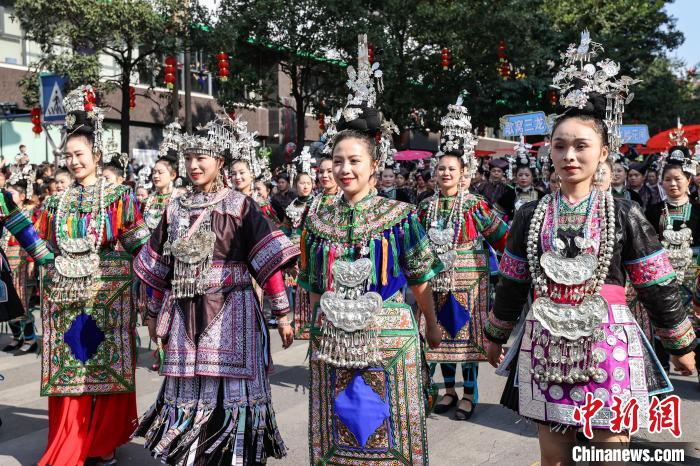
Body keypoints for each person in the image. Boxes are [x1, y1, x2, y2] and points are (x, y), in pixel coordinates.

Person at [485, 33, 696, 465]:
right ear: (549, 153)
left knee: (608, 454)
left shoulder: (625, 214)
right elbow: (512, 281)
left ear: (603, 153)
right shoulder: (531, 215)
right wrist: (495, 333)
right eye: (560, 145)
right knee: (555, 457)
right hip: (545, 347)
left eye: (581, 146)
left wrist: (680, 342)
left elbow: (656, 282)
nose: (570, 156)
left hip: (607, 346)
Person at [299, 36, 442, 464]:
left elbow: (419, 279)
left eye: (354, 161)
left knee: (390, 425)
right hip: (332, 340)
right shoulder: (317, 218)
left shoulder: (400, 217)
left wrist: (431, 324)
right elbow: (310, 282)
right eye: (338, 161)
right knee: (338, 426)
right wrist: (312, 327)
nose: (344, 169)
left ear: (373, 165)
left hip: (389, 336)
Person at [133, 116, 299, 465]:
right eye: (189, 159)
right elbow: (159, 268)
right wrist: (151, 313)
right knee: (186, 394)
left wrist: (283, 313)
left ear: (220, 162)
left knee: (233, 396)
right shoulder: (174, 208)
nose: (193, 165)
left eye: (202, 158)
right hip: (183, 313)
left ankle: (235, 455)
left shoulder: (240, 205)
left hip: (232, 310)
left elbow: (267, 262)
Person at [35, 85, 150, 466]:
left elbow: (140, 245)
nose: (73, 161)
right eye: (67, 155)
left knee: (104, 370)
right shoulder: (54, 202)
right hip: (68, 301)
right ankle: (72, 440)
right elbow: (43, 247)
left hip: (108, 299)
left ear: (96, 155)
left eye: (79, 154)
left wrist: (158, 284)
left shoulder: (119, 198)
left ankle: (102, 441)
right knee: (72, 371)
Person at [418, 99, 508, 421]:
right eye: (441, 168)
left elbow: (503, 237)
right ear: (434, 172)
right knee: (439, 336)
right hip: (437, 280)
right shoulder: (425, 206)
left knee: (467, 340)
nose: (445, 173)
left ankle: (470, 393)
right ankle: (448, 390)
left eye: (451, 169)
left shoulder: (475, 205)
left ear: (462, 173)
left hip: (471, 282)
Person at [646, 142, 700, 380]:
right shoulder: (654, 210)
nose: (673, 184)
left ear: (689, 180)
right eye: (668, 179)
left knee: (696, 324)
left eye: (678, 179)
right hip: (661, 277)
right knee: (658, 322)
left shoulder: (698, 211)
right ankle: (660, 373)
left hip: (693, 276)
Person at [1, 176, 41, 355]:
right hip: (8, 263)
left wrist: (33, 262)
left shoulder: (28, 213)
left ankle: (30, 339)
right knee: (7, 302)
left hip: (22, 266)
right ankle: (17, 337)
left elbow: (31, 238)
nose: (8, 194)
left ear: (23, 196)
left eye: (12, 193)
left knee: (22, 303)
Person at [282, 149, 315, 338]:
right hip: (293, 252)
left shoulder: (317, 203)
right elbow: (286, 228)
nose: (305, 186)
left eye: (308, 183)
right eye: (302, 183)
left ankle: (311, 322)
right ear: (296, 185)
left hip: (309, 250)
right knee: (294, 288)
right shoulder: (292, 205)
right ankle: (299, 322)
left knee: (308, 286)